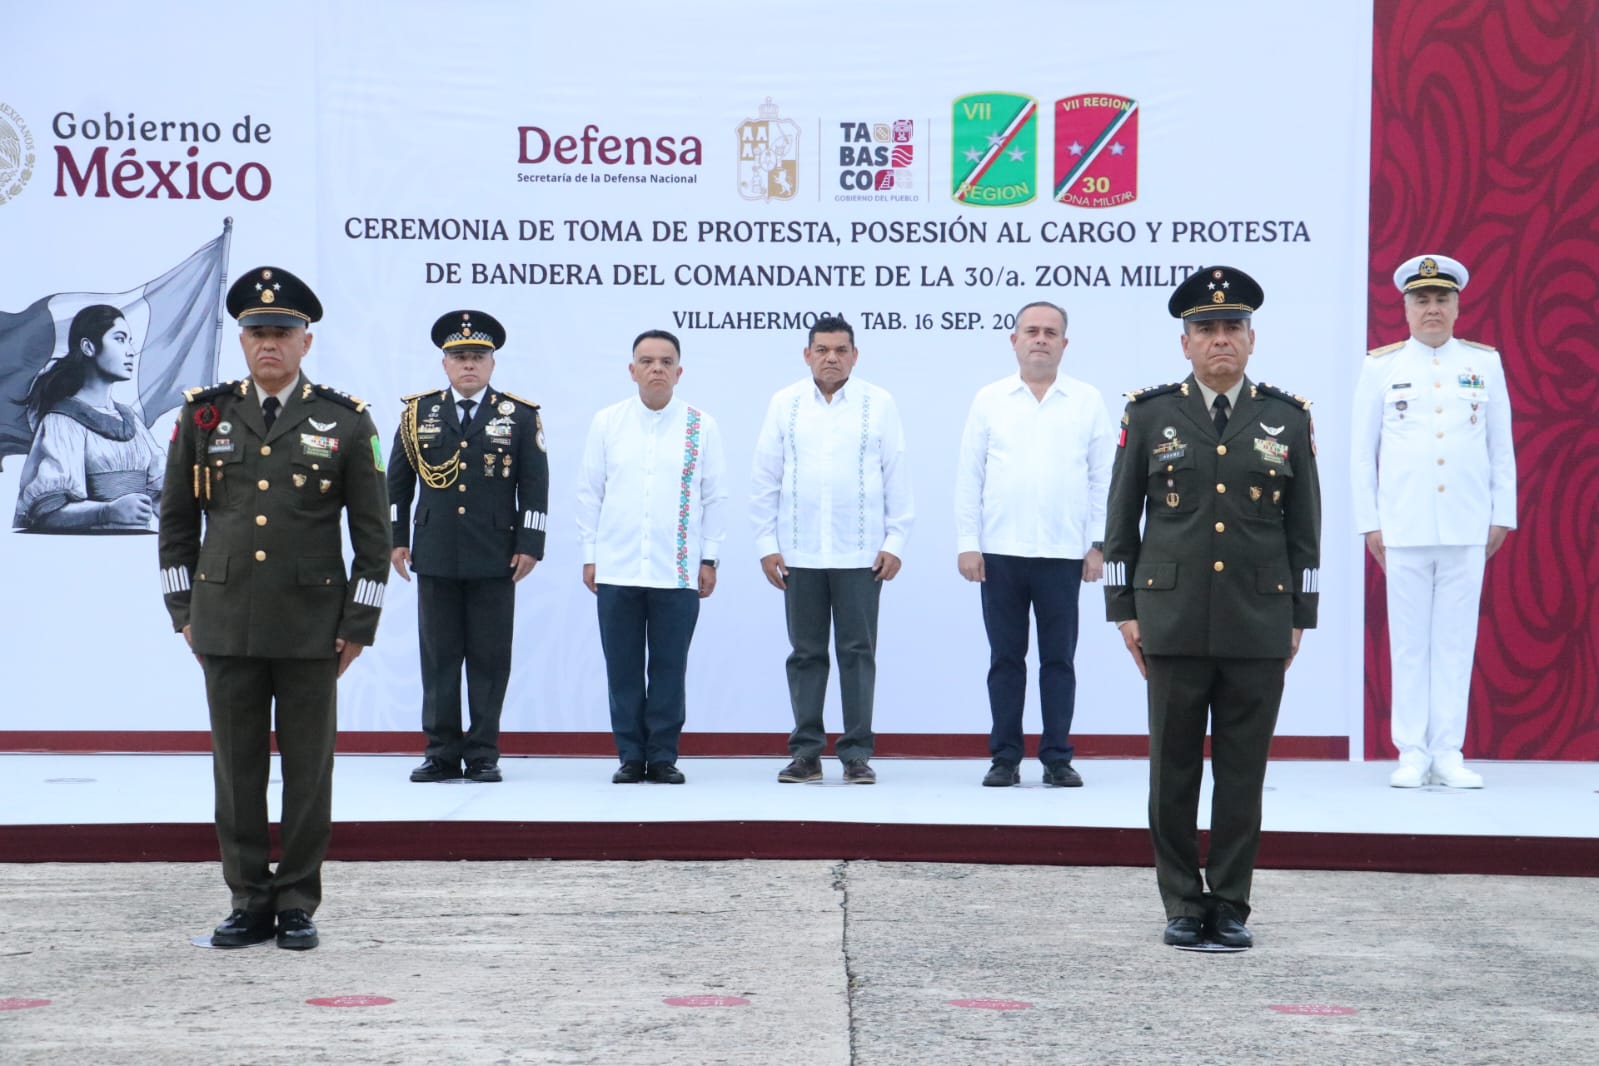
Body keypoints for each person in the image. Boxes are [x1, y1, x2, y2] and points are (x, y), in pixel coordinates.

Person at [158, 265, 389, 951]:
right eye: (257, 332)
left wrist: (358, 626)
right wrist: (183, 609)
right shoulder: (204, 415)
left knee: (309, 772)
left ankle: (296, 902)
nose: (269, 345)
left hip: (312, 626)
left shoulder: (345, 421)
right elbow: (175, 523)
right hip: (223, 621)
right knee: (237, 771)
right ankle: (248, 899)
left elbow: (373, 540)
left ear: (305, 343)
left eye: (282, 333)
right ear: (241, 340)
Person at [1103, 266, 1320, 950]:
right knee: (1171, 771)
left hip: (1257, 620)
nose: (1218, 339)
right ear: (1184, 343)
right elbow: (1120, 521)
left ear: (1251, 339)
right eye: (1205, 329)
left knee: (1241, 772)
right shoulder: (1150, 414)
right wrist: (1123, 607)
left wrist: (1299, 614)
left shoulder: (1285, 418)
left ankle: (1228, 902)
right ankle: (1178, 899)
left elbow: (1302, 529)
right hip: (1168, 616)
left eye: (1231, 328)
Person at [1352, 254, 1516, 789]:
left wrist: (1503, 514)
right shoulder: (1382, 366)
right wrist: (1369, 522)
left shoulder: (1483, 363)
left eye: (1441, 299)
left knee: (1455, 640)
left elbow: (1501, 448)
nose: (1432, 309)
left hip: (1467, 524)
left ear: (1457, 305)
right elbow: (1361, 452)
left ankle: (1448, 750)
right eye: (1421, 300)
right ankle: (1411, 751)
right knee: (1408, 641)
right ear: (1404, 307)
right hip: (1403, 525)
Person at [954, 301, 1113, 788]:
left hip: (1065, 554)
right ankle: (1005, 757)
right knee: (1005, 660)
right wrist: (968, 542)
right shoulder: (990, 399)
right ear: (1014, 340)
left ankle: (1057, 757)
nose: (1040, 339)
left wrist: (1099, 544)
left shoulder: (1086, 400)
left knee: (1059, 661)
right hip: (1000, 552)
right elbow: (970, 476)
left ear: (1065, 343)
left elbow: (1103, 479)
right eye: (1032, 331)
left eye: (1050, 333)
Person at [751, 315, 913, 785]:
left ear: (854, 355)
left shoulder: (877, 404)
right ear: (807, 354)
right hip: (799, 555)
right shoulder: (785, 403)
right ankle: (806, 753)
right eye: (821, 349)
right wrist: (766, 544)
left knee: (857, 653)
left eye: (840, 350)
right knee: (805, 654)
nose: (831, 358)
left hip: (861, 555)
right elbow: (765, 478)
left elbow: (896, 476)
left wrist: (895, 541)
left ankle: (857, 753)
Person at [388, 310, 548, 785]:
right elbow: (395, 484)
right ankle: (440, 752)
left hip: (495, 554)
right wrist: (396, 540)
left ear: (492, 363)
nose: (468, 366)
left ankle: (482, 752)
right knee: (438, 657)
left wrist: (531, 544)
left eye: (477, 357)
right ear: (444, 364)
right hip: (434, 551)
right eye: (459, 357)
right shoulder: (418, 414)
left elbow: (534, 486)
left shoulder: (518, 415)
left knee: (489, 657)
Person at [575, 329, 726, 784]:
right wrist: (591, 554)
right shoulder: (607, 422)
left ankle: (662, 756)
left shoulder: (701, 425)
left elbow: (715, 497)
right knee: (621, 667)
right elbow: (589, 493)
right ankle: (629, 755)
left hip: (677, 569)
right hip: (618, 566)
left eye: (665, 361)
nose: (656, 368)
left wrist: (709, 559)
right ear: (632, 370)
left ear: (679, 372)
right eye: (647, 361)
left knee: (668, 668)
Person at [13, 304, 164, 532]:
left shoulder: (130, 419)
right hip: (86, 553)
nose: (131, 350)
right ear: (88, 347)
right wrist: (108, 511)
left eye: (130, 340)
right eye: (120, 339)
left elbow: (162, 492)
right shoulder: (62, 421)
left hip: (136, 553)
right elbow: (47, 510)